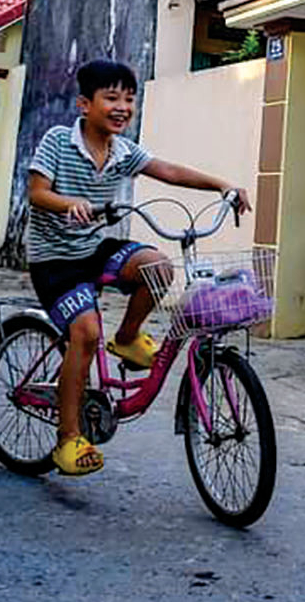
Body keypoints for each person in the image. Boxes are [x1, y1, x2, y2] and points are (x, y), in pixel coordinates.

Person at [25, 58, 251, 478]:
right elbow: (37, 192)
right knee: (86, 334)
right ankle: (68, 438)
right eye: (111, 97)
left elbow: (168, 171)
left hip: (95, 246)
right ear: (84, 104)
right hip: (55, 260)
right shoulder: (58, 141)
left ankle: (127, 339)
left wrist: (223, 185)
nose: (122, 107)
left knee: (158, 266)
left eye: (129, 99)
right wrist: (68, 204)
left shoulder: (123, 151)